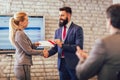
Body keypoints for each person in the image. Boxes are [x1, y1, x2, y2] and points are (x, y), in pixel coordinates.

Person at [76, 4, 120, 80]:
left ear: (109, 21)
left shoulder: (103, 43)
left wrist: (82, 60)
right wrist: (90, 58)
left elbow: (82, 74)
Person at [43, 7, 84, 80]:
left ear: (69, 15)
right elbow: (56, 48)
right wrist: (48, 53)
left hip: (73, 65)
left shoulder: (77, 29)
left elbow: (79, 47)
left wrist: (62, 45)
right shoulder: (57, 31)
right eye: (59, 15)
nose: (60, 17)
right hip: (61, 65)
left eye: (62, 15)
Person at [9, 11, 45, 80]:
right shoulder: (20, 33)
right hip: (22, 65)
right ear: (21, 22)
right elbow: (28, 51)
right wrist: (42, 52)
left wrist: (34, 45)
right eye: (27, 20)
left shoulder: (20, 33)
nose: (28, 22)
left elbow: (25, 48)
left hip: (23, 65)